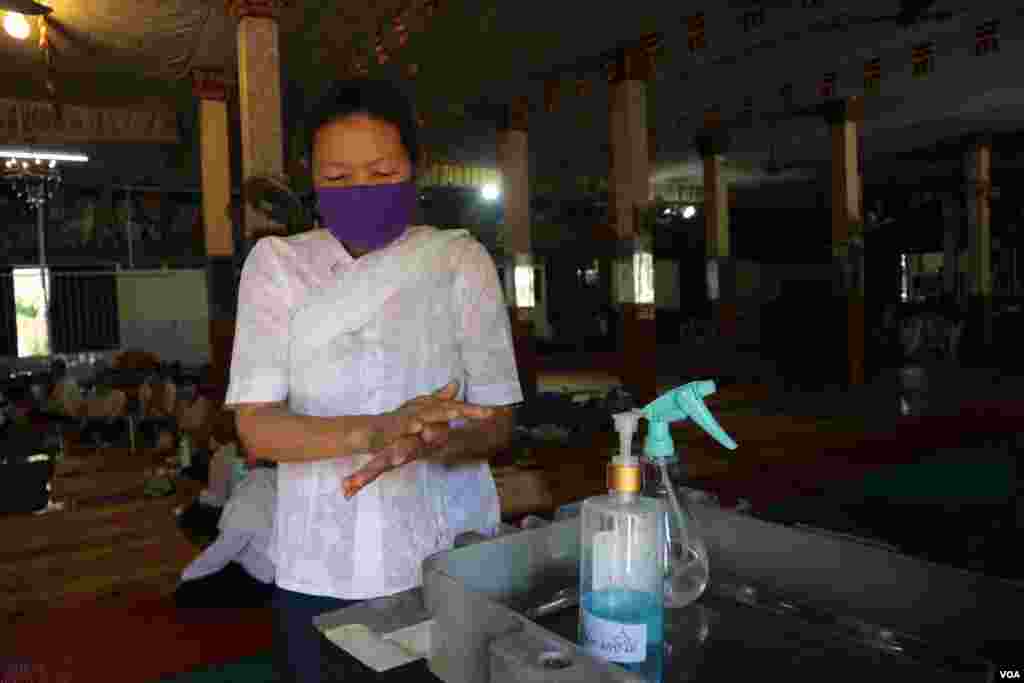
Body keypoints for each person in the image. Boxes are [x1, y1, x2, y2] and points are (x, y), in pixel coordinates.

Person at [226, 78, 522, 683]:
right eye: (337, 179)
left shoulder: (458, 261)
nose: (360, 191)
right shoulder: (278, 267)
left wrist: (439, 442)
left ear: (416, 170)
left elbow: (496, 424)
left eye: (382, 172)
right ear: (311, 178)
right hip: (318, 564)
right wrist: (377, 431)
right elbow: (257, 429)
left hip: (445, 560)